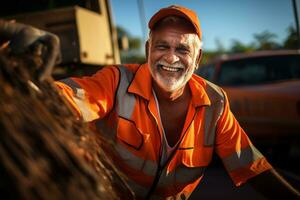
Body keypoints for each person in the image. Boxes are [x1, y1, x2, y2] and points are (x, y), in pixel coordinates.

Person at [1, 5, 300, 200]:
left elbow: (254, 168)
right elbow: (62, 100)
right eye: (162, 46)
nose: (171, 57)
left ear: (197, 59)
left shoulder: (215, 103)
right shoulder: (115, 82)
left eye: (183, 49)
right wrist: (22, 79)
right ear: (147, 50)